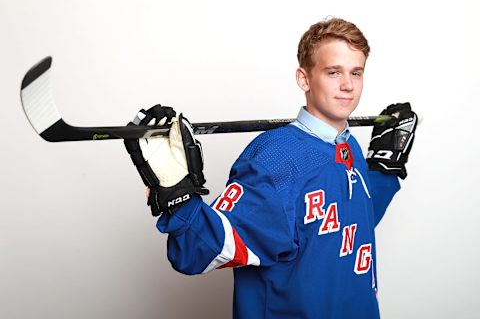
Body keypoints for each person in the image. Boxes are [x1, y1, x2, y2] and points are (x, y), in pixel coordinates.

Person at [124, 17, 418, 319]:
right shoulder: (274, 158)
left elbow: (347, 221)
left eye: (356, 72)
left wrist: (385, 169)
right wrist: (178, 197)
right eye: (333, 72)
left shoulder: (348, 146)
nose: (348, 86)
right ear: (304, 79)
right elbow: (196, 251)